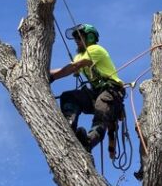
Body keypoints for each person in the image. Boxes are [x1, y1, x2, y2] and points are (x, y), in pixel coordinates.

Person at [49, 23, 124, 155]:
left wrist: (52, 76)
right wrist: (47, 73)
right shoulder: (79, 56)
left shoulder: (95, 49)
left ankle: (88, 142)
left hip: (111, 91)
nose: (76, 41)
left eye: (79, 37)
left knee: (100, 116)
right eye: (75, 38)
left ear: (89, 37)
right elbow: (70, 67)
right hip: (94, 94)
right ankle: (69, 124)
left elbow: (74, 67)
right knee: (69, 96)